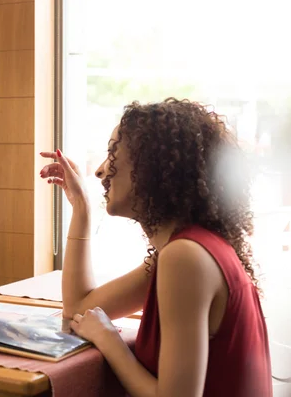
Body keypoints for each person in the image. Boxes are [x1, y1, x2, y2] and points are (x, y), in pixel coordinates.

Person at [40, 98, 272, 397]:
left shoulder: (185, 257)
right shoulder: (183, 251)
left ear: (153, 168)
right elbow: (79, 310)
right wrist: (81, 210)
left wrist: (111, 340)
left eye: (112, 153)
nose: (99, 171)